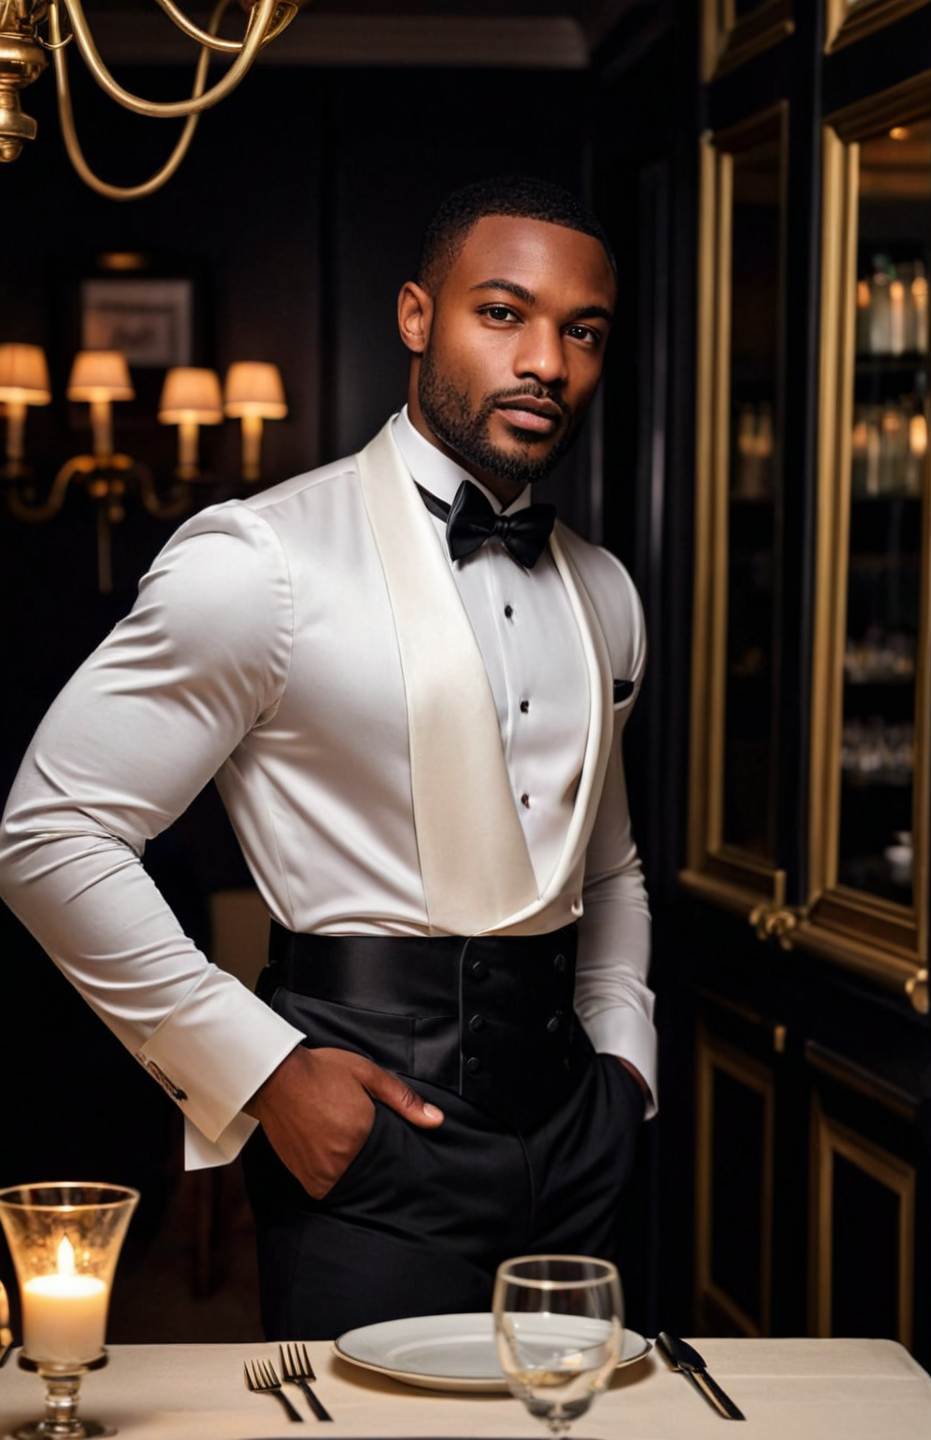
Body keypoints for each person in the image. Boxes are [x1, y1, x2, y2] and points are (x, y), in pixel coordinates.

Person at [0, 174, 656, 1339]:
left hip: (577, 1140)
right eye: (500, 313)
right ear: (416, 316)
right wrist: (261, 1074)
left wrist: (623, 1067)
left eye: (581, 330)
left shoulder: (605, 591)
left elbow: (605, 869)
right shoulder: (260, 564)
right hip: (363, 1132)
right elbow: (50, 838)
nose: (545, 361)